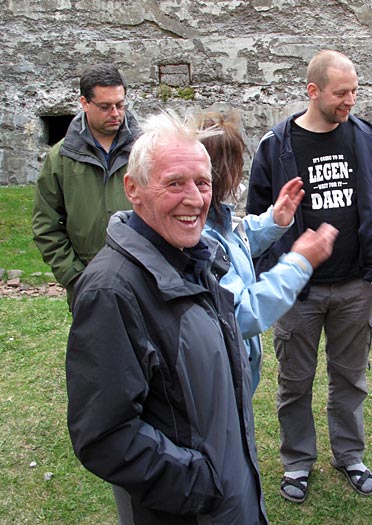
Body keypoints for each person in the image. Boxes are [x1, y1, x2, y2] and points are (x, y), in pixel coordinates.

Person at [66, 111, 267, 524]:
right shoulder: (112, 290)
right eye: (174, 183)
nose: (194, 199)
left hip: (233, 499)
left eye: (202, 183)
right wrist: (202, 484)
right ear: (133, 190)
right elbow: (105, 434)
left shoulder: (197, 262)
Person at [246, 49, 372, 503]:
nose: (351, 100)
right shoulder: (277, 146)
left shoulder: (366, 138)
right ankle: (297, 462)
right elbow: (258, 216)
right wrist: (279, 273)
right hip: (299, 290)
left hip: (355, 285)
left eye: (354, 91)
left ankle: (349, 454)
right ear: (313, 91)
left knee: (350, 377)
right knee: (295, 380)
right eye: (342, 92)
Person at [196, 111, 337, 392]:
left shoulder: (212, 220)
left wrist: (274, 220)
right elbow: (241, 314)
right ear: (224, 171)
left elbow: (236, 238)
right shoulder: (200, 239)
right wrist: (299, 263)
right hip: (217, 379)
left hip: (230, 371)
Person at [32, 63, 140, 305]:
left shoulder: (147, 151)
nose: (115, 113)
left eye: (120, 105)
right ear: (84, 103)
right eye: (105, 107)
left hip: (145, 279)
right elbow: (46, 227)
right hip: (89, 285)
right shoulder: (61, 158)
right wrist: (76, 277)